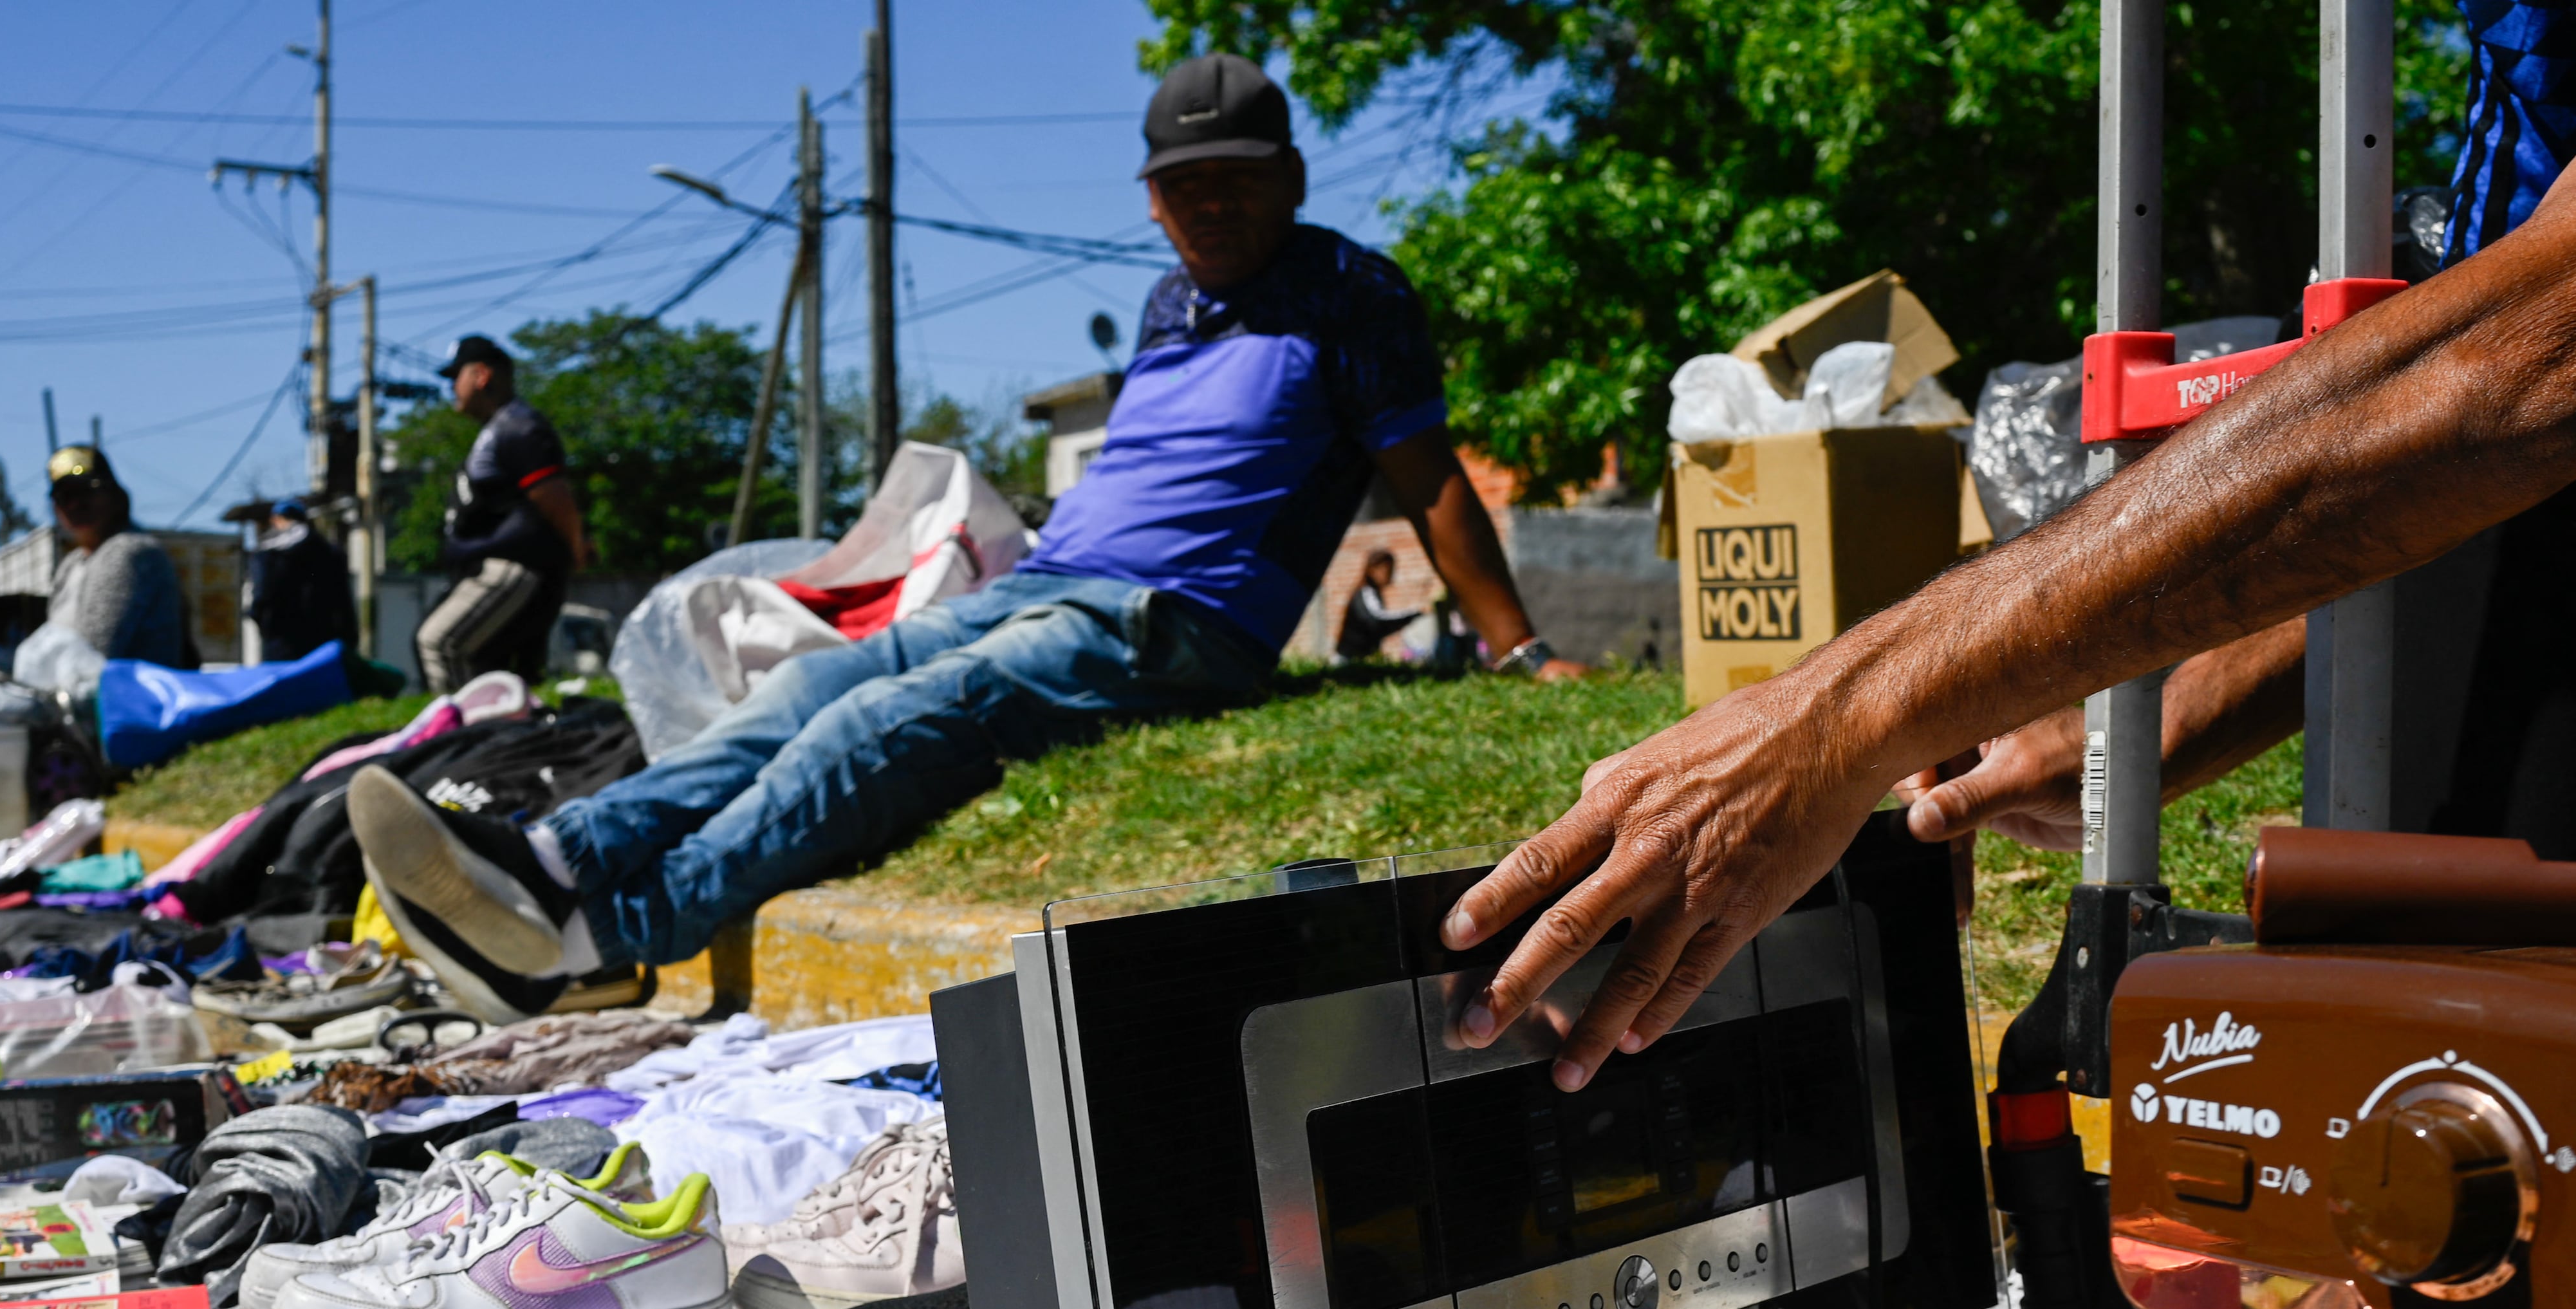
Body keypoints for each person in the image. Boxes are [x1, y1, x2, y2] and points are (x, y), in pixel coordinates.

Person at [1435, 22, 2576, 1095]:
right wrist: (2152, 730)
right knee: (2434, 341)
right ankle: (2458, 1089)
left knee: (2446, 365)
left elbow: (2515, 375)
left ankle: (2470, 1100)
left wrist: (1841, 712)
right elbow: (2462, 444)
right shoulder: (2545, 37)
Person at [351, 53, 1584, 1022]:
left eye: (1239, 177)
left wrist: (1518, 650)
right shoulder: (1172, 301)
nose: (1210, 202)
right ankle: (557, 859)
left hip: (1173, 624)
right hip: (1049, 580)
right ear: (1150, 200)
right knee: (812, 685)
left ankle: (600, 937)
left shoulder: (1356, 297)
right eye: (1183, 183)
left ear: (1295, 178)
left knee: (887, 723)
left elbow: (1431, 480)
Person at [416, 337, 586, 694]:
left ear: (481, 376)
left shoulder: (519, 426)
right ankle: (496, 724)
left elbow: (554, 497)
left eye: (456, 377)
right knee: (492, 666)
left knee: (441, 644)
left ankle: (463, 728)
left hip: (510, 568)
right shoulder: (499, 427)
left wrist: (576, 548)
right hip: (492, 567)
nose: (451, 387)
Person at [40, 445, 190, 669]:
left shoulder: (129, 551)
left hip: (126, 692)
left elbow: (92, 660)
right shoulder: (71, 566)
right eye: (65, 496)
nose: (76, 504)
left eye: (87, 490)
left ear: (115, 495)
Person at [251, 499, 358, 665]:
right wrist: (350, 640)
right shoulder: (328, 552)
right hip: (323, 642)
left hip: (281, 641)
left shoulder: (269, 552)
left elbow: (261, 596)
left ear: (276, 520)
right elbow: (343, 601)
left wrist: (264, 626)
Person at [1336, 548, 1423, 661]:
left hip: (1361, 658)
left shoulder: (1374, 593)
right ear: (1372, 570)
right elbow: (1377, 621)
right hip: (1349, 659)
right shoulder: (1366, 592)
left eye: (1391, 569)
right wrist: (1413, 614)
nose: (1389, 574)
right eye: (1385, 569)